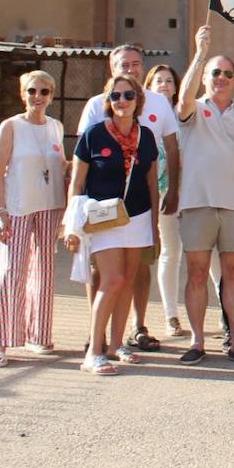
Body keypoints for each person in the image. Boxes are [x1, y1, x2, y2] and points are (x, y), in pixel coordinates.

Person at [76, 44, 180, 354]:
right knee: (107, 275)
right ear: (112, 69)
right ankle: (97, 338)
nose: (130, 69)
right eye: (124, 64)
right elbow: (80, 166)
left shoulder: (154, 114)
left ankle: (130, 332)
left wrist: (170, 194)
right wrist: (75, 216)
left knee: (135, 271)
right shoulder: (95, 113)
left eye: (136, 64)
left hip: (139, 210)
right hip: (102, 210)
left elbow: (167, 155)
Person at [174, 25, 234, 367]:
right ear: (206, 76)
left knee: (233, 273)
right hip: (197, 202)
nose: (222, 78)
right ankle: (198, 342)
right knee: (197, 273)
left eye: (228, 74)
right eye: (216, 73)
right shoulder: (195, 108)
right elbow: (182, 101)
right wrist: (200, 53)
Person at [67, 74, 160, 375]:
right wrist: (71, 224)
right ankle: (94, 351)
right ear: (108, 101)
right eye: (116, 96)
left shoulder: (146, 136)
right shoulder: (93, 134)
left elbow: (152, 183)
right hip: (102, 217)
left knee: (129, 279)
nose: (122, 101)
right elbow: (77, 182)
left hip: (138, 216)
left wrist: (155, 225)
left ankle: (117, 344)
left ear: (138, 100)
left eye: (128, 96)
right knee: (112, 280)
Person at [0, 70, 67, 367]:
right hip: (18, 206)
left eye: (44, 91)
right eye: (32, 91)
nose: (38, 97)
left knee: (44, 271)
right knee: (11, 270)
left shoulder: (56, 127)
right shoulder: (11, 126)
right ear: (23, 94)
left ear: (51, 95)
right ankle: (0, 340)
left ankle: (39, 335)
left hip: (50, 205)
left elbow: (61, 166)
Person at [144, 64, 189, 336]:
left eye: (169, 80)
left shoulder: (185, 115)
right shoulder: (145, 118)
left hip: (191, 191)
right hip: (161, 192)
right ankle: (171, 315)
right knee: (171, 252)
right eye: (158, 80)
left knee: (207, 252)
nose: (164, 85)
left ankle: (227, 311)